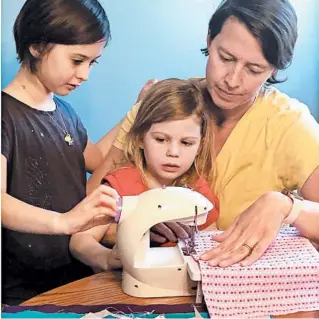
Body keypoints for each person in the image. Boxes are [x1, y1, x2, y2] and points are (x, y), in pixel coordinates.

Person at [88, 0, 319, 267]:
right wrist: (138, 229)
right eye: (226, 58)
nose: (232, 80)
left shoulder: (289, 124)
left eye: (254, 70)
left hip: (238, 289)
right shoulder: (163, 104)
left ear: (274, 69)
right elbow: (88, 213)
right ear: (209, 40)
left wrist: (286, 207)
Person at [1, 0, 121, 305]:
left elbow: (98, 161)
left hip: (76, 282)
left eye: (92, 63)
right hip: (22, 296)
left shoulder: (65, 113)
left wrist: (136, 115)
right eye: (77, 60)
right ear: (38, 46)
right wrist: (64, 222)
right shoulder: (4, 115)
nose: (84, 75)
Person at [70, 79, 219, 272]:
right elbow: (80, 240)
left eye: (186, 143)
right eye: (161, 139)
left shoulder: (198, 190)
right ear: (140, 138)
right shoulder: (119, 185)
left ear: (200, 145)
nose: (173, 152)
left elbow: (210, 243)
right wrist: (105, 258)